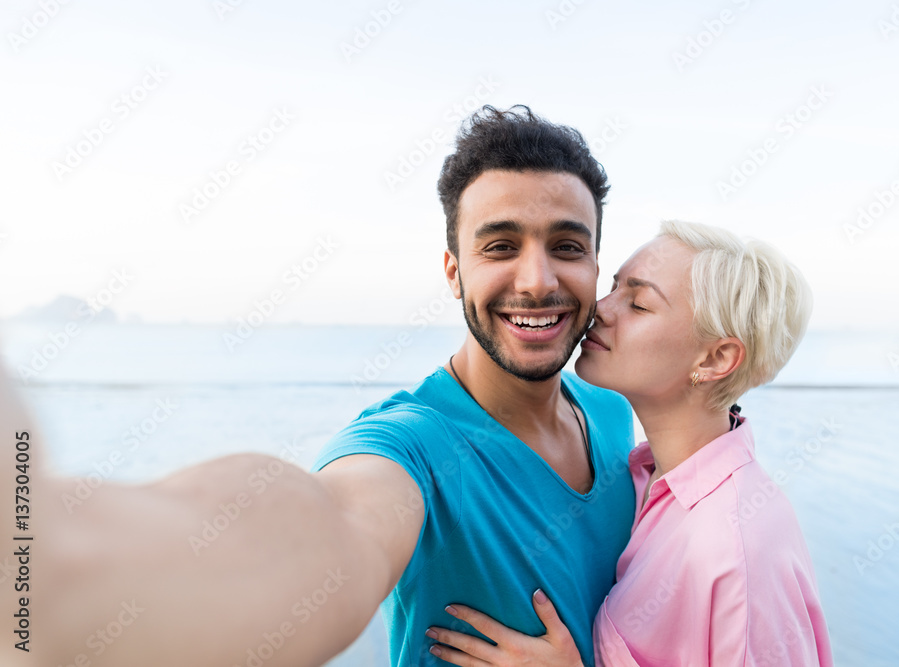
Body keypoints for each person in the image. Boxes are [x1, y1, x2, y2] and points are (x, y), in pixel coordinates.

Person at [0, 105, 636, 667]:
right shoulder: (413, 447)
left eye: (566, 246)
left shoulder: (612, 412)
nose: (536, 279)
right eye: (500, 246)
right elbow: (338, 526)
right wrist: (56, 562)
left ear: (594, 265)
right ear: (453, 272)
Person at [425, 221, 835, 666]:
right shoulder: (644, 477)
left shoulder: (737, 546)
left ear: (716, 358)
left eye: (638, 304)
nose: (599, 308)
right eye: (614, 287)